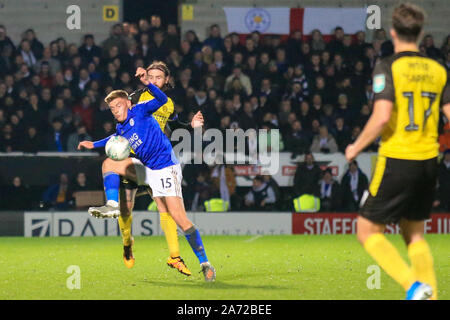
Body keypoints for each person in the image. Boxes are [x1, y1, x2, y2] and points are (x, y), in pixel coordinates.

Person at [345, 4, 450, 300]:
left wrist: (355, 147)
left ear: (392, 32)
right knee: (414, 234)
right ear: (421, 32)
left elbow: (380, 117)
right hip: (430, 161)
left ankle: (413, 287)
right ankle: (432, 297)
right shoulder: (439, 69)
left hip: (398, 159)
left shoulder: (388, 66)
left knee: (366, 230)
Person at [77, 67, 216, 282]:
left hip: (164, 167)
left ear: (165, 80)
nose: (115, 110)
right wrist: (93, 143)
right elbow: (115, 136)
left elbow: (164, 106)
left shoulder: (145, 107)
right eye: (112, 108)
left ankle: (203, 262)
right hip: (141, 164)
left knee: (178, 217)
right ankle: (116, 214)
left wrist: (192, 125)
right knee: (110, 166)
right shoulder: (125, 117)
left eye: (157, 77)